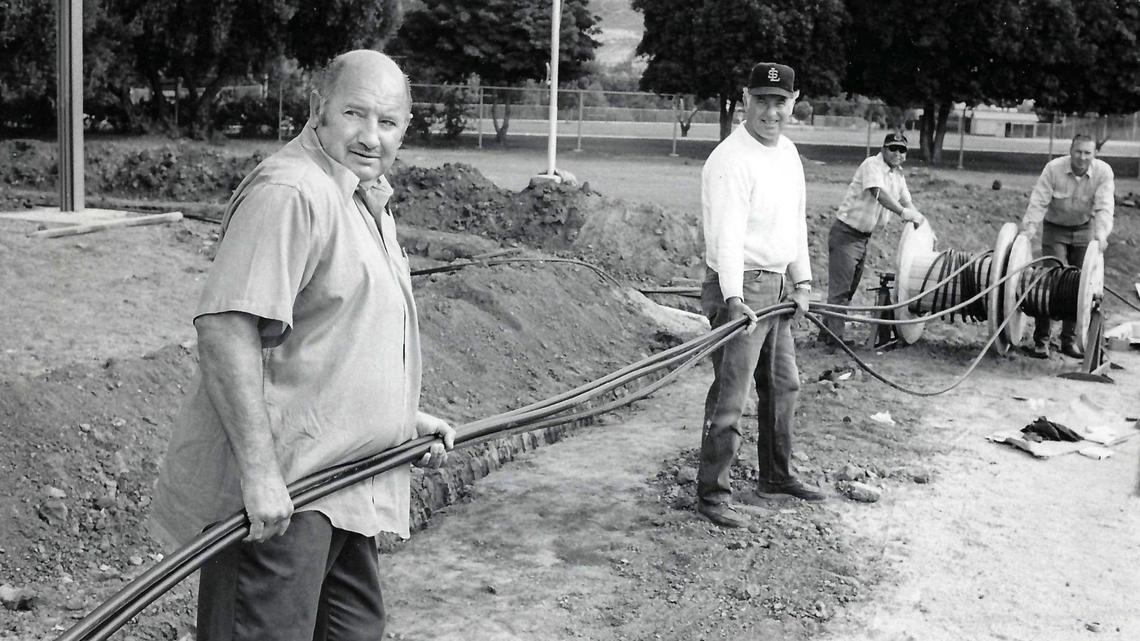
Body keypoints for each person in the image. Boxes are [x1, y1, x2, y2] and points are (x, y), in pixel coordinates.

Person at [149, 50, 456, 640]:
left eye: (387, 122)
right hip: (289, 494)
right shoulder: (292, 192)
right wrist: (260, 475)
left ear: (406, 128)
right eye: (355, 114)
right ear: (319, 110)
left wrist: (401, 419)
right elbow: (227, 328)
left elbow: (332, 334)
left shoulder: (361, 196)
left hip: (347, 484)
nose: (371, 136)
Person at [697, 61, 824, 530]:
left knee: (784, 383)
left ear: (794, 102)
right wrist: (733, 298)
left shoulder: (787, 152)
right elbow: (727, 236)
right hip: (740, 285)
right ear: (745, 100)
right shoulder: (731, 159)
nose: (771, 111)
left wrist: (803, 281)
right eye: (762, 101)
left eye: (780, 102)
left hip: (775, 283)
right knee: (732, 394)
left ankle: (776, 475)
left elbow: (795, 219)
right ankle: (712, 493)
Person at [819, 132, 927, 345]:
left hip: (863, 238)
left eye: (902, 150)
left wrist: (923, 224)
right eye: (893, 148)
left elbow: (907, 201)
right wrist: (904, 214)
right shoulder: (872, 165)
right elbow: (878, 192)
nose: (897, 153)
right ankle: (833, 341)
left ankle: (827, 335)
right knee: (840, 292)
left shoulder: (898, 175)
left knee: (847, 290)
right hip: (846, 234)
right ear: (884, 149)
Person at [1020, 134, 1115, 359]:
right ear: (1070, 151)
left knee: (1079, 285)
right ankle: (1041, 341)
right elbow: (1039, 200)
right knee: (1050, 281)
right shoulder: (1053, 169)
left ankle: (1068, 341)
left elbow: (1104, 206)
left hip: (1085, 229)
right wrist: (1030, 228)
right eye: (1078, 151)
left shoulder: (1103, 173)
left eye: (1087, 153)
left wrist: (1101, 235)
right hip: (1055, 229)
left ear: (1095, 155)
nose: (1082, 157)